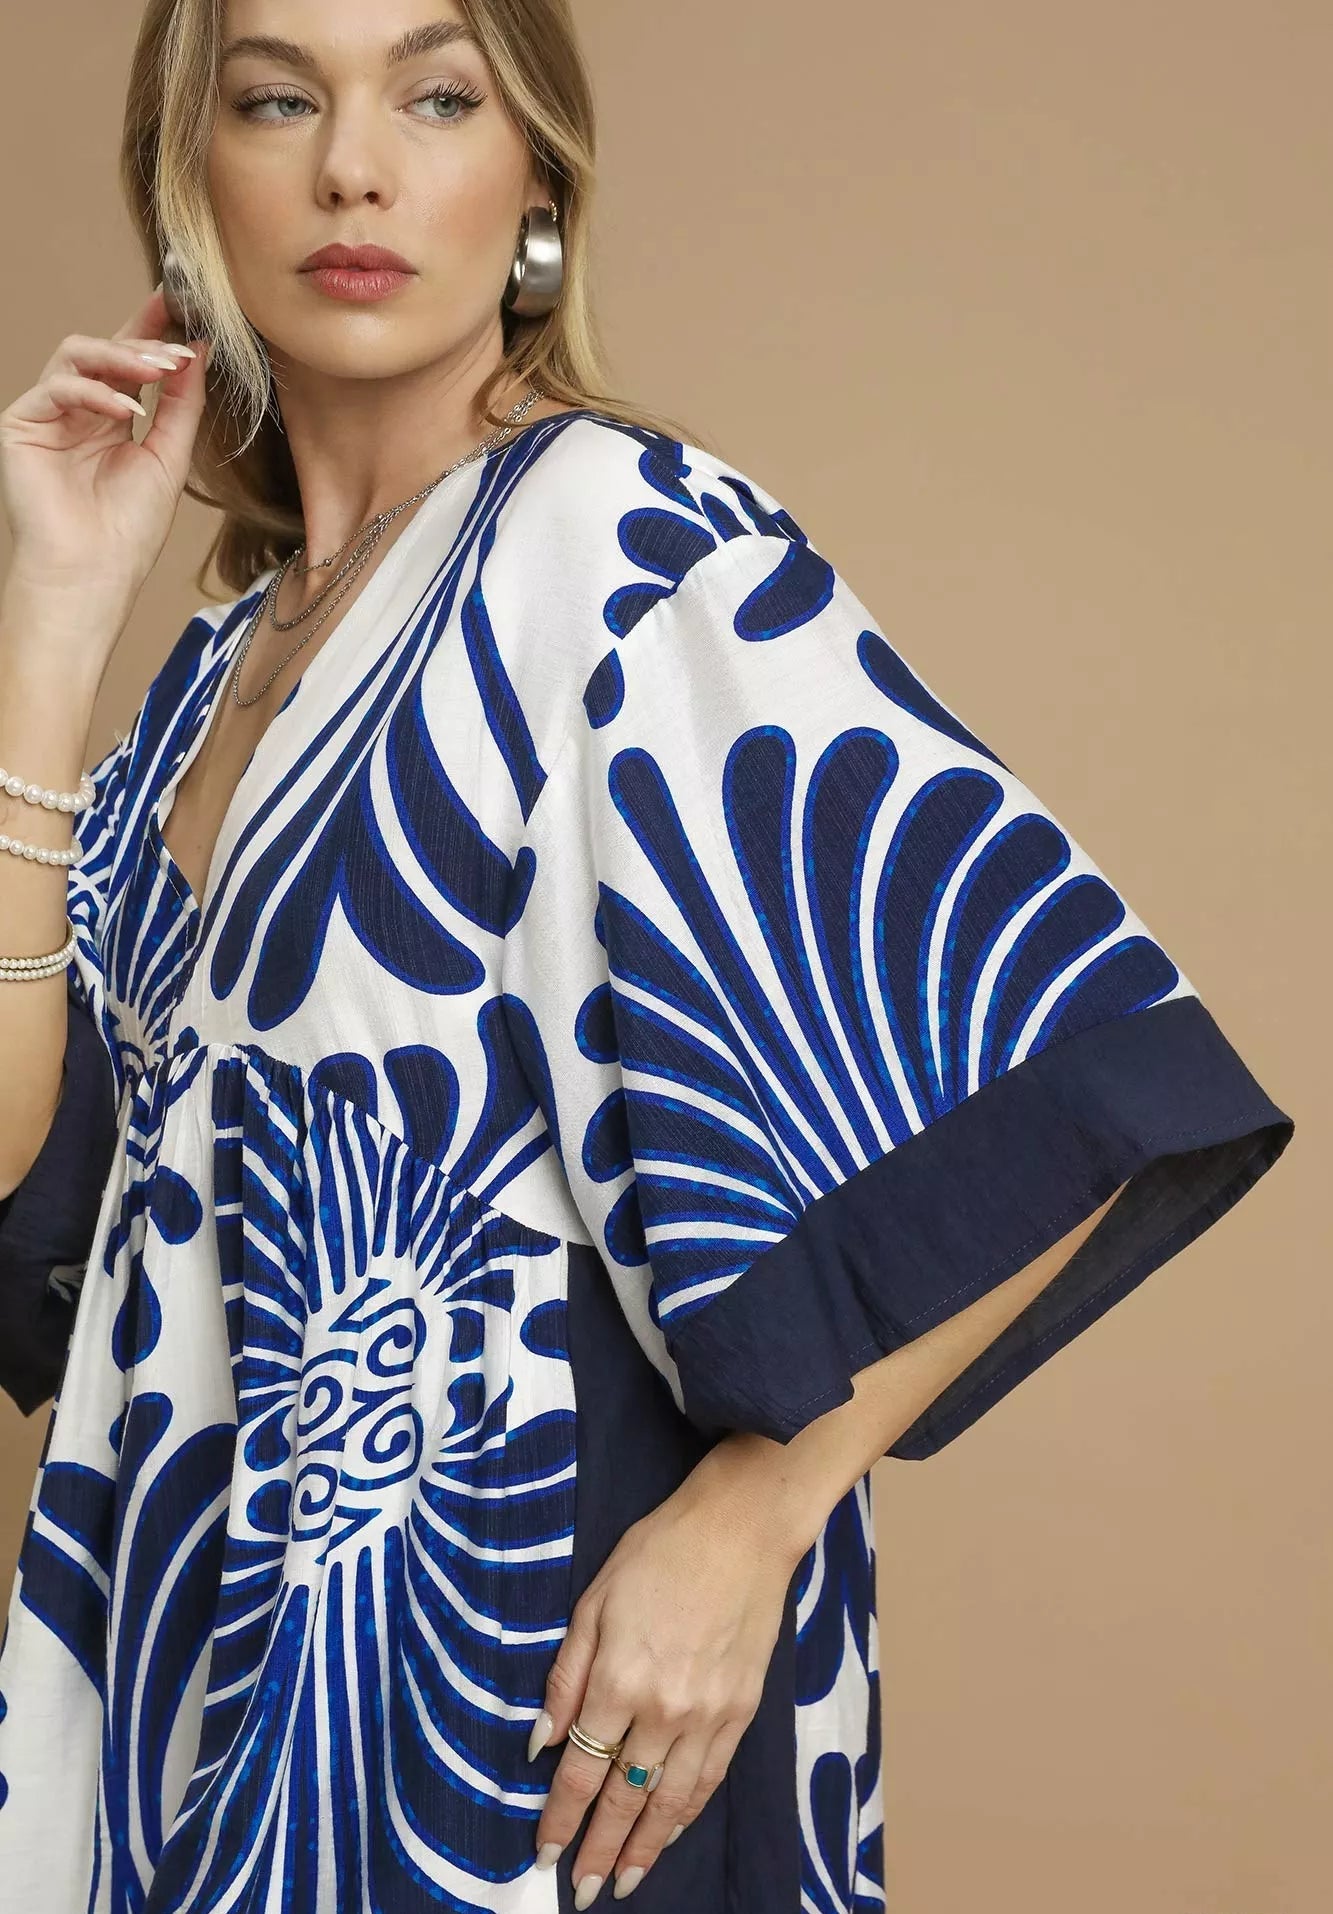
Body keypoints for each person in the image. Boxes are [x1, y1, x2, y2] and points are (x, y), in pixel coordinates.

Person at [0, 2, 1295, 1910]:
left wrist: (755, 1521)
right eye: (277, 101)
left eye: (436, 97)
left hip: (527, 1700)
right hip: (209, 1702)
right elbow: (37, 1192)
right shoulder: (204, 663)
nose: (354, 164)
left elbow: (1081, 1065)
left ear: (535, 176)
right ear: (192, 175)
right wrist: (49, 620)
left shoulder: (618, 540)